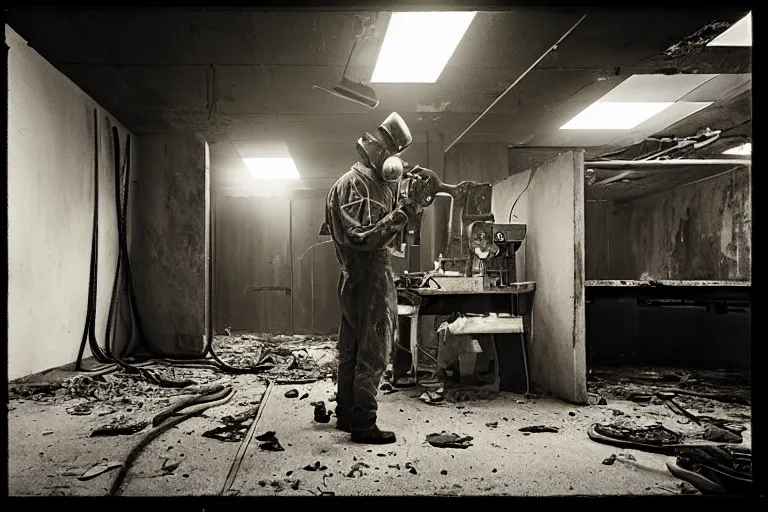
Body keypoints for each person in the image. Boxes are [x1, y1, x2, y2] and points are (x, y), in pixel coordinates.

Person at [322, 112, 424, 445]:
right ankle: (363, 423)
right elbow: (362, 238)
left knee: (351, 346)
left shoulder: (364, 183)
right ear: (382, 152)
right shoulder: (356, 184)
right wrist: (403, 213)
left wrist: (404, 201)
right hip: (370, 277)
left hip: (353, 277)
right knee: (374, 349)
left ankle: (346, 414)